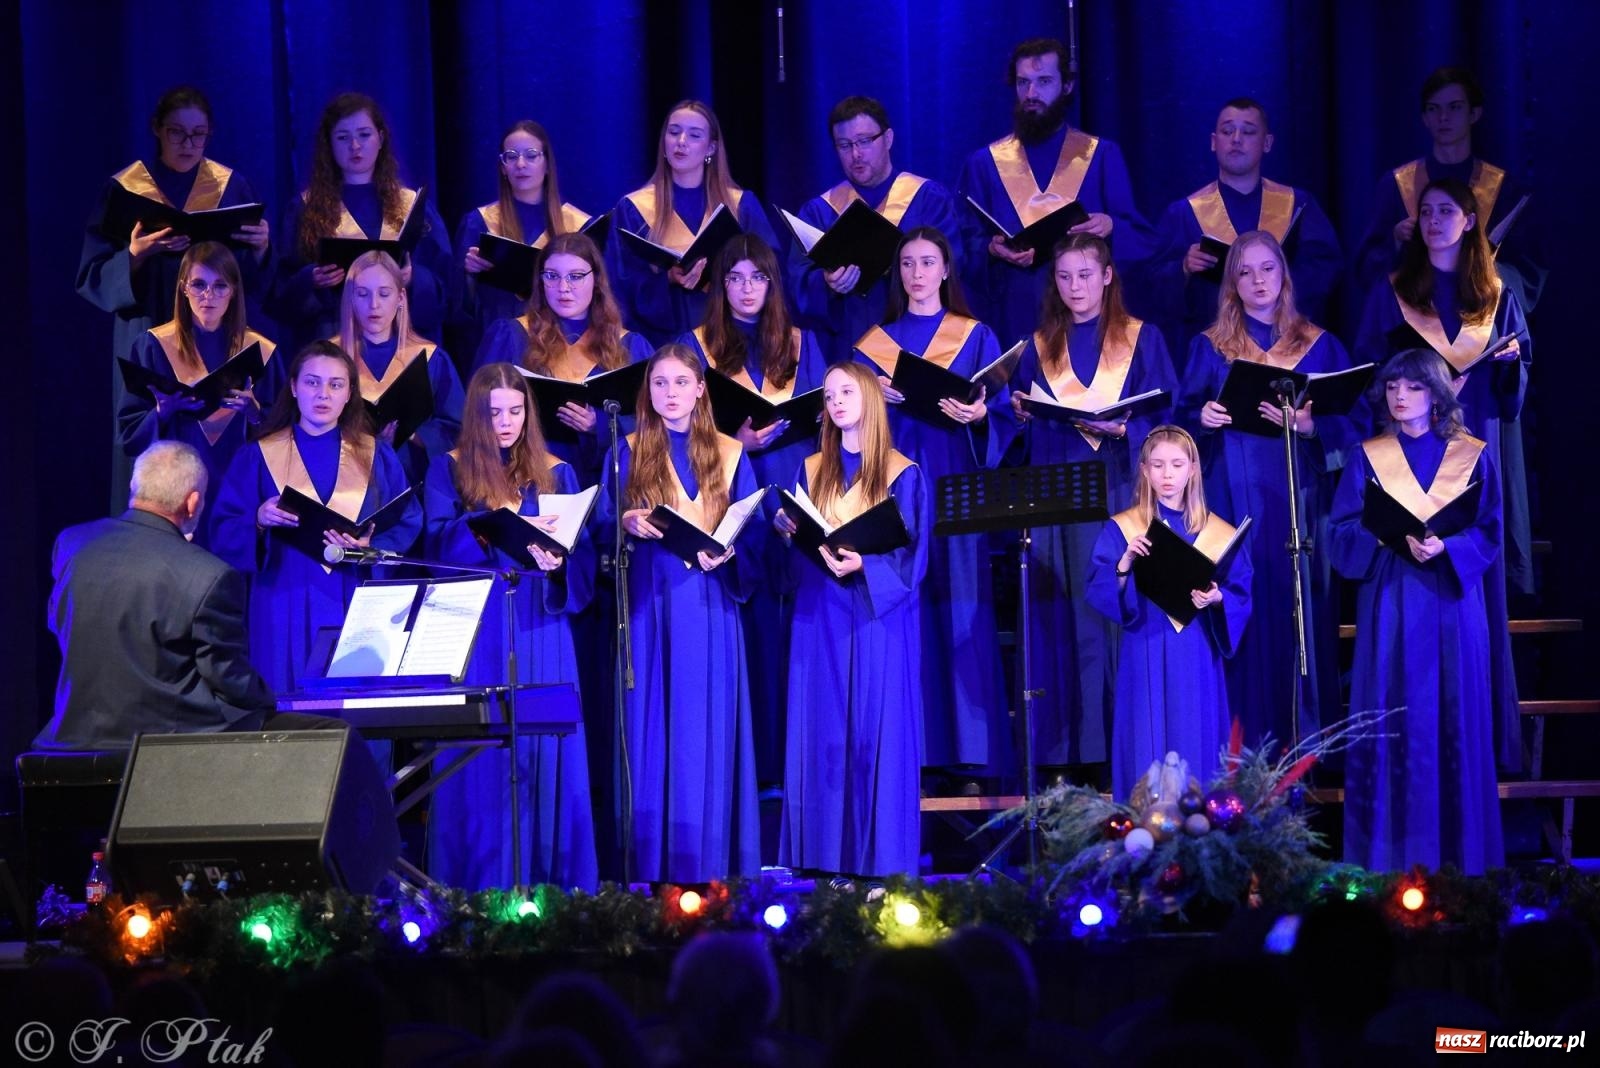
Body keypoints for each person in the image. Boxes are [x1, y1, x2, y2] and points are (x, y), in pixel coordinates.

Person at [1354, 178, 1529, 773]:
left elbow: (1512, 396)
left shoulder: (1497, 296)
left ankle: (1481, 737)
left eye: (1446, 211)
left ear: (1470, 220)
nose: (1433, 220)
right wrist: (1416, 393)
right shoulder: (1396, 292)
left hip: (1472, 453)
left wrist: (1506, 365)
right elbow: (1369, 378)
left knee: (1471, 589)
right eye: (1425, 211)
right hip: (1407, 453)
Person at [1177, 230, 1358, 756]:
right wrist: (1202, 419)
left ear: (1284, 276)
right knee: (1241, 610)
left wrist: (1309, 428)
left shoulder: (1320, 344)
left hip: (1299, 501)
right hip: (1232, 503)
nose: (1258, 281)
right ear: (1231, 283)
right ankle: (1238, 755)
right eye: (1245, 272)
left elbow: (1357, 422)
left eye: (1267, 269)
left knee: (1301, 616)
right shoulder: (1209, 347)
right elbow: (1179, 422)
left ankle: (1305, 754)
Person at [422, 363, 598, 890]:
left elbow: (581, 554)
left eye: (516, 410)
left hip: (540, 625)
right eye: (494, 411)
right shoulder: (448, 469)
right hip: (476, 627)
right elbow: (432, 543)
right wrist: (485, 527)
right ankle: (472, 885)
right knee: (479, 758)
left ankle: (552, 884)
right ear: (476, 415)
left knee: (544, 750)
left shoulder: (557, 472)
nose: (506, 422)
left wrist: (559, 561)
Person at [1330, 349, 1504, 874]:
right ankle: (1386, 863)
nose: (1400, 397)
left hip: (1450, 604)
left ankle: (1462, 864)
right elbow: (1340, 533)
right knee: (1392, 718)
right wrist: (1383, 535)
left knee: (1454, 716)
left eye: (1413, 387)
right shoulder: (1368, 456)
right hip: (1391, 601)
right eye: (1391, 388)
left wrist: (1448, 548)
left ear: (1437, 395)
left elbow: (1490, 528)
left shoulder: (1471, 455)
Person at [1008, 233, 1176, 771]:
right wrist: (1019, 413)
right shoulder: (1037, 347)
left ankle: (1129, 746)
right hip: (1059, 493)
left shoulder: (1143, 338)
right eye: (1064, 276)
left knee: (1117, 608)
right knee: (1069, 616)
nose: (1075, 286)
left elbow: (1170, 417)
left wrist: (1128, 427)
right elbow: (1019, 429)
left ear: (1106, 276)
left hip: (1121, 488)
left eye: (1085, 274)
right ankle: (1074, 754)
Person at [596, 344, 761, 882]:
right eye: (659, 383)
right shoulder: (627, 450)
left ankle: (711, 864)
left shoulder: (732, 454)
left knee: (705, 727)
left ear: (700, 389)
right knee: (652, 726)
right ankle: (650, 865)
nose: (670, 393)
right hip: (650, 607)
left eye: (680, 383)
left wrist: (732, 550)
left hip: (711, 607)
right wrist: (624, 524)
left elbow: (753, 531)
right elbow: (600, 525)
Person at [852, 227, 1011, 776]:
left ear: (946, 270)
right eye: (907, 264)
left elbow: (1002, 407)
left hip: (954, 478)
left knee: (960, 600)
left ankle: (971, 752)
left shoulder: (975, 336)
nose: (917, 274)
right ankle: (910, 744)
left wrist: (981, 415)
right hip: (895, 480)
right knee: (904, 598)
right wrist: (877, 398)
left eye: (928, 262)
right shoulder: (877, 343)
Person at [678, 234, 828, 786]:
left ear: (773, 284)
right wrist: (732, 437)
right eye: (736, 278)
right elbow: (677, 423)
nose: (747, 289)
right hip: (728, 490)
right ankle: (747, 764)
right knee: (748, 627)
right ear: (721, 285)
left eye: (758, 278)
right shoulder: (696, 346)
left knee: (795, 629)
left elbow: (827, 418)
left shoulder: (801, 344)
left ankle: (795, 764)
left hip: (792, 486)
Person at [78, 87, 271, 507]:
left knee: (218, 444)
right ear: (156, 130)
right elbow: (91, 274)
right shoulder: (126, 190)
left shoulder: (229, 186)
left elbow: (247, 283)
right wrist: (135, 254)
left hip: (215, 336)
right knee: (152, 441)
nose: (188, 144)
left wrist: (259, 249)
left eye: (198, 135)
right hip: (146, 333)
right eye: (177, 133)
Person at [774, 362, 928, 877]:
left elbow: (914, 558)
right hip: (821, 613)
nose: (836, 401)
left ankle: (881, 864)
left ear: (870, 399)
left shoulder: (902, 472)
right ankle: (821, 861)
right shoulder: (811, 467)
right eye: (830, 394)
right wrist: (787, 531)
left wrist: (869, 565)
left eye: (847, 391)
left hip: (877, 616)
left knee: (875, 730)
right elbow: (799, 546)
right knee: (822, 727)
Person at [210, 341, 421, 692]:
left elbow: (407, 520)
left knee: (355, 707)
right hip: (283, 595)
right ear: (293, 387)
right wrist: (258, 520)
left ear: (350, 392)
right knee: (287, 703)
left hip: (354, 592)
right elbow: (222, 528)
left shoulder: (376, 455)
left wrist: (372, 545)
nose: (323, 394)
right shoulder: (258, 455)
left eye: (336, 384)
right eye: (312, 382)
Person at [35, 441, 274, 750]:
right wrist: (270, 699)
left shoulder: (71, 543)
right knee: (318, 729)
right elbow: (227, 678)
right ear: (193, 502)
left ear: (136, 487)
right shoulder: (209, 574)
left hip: (70, 734)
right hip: (165, 741)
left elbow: (58, 623)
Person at [1086, 426, 1253, 798]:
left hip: (1197, 650)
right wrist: (1124, 565)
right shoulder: (1125, 528)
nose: (1167, 474)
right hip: (1143, 644)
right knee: (1145, 737)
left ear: (1193, 469)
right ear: (1144, 470)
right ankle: (1142, 837)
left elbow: (1240, 591)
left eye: (1177, 465)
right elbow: (1098, 590)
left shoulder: (1216, 531)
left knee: (1196, 738)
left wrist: (1217, 599)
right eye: (1158, 465)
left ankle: (1202, 838)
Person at [957, 37, 1154, 347]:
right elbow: (964, 246)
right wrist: (991, 250)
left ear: (1067, 86)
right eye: (1023, 83)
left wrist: (1110, 225)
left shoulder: (1101, 156)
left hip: (1086, 325)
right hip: (1012, 319)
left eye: (1044, 81)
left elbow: (1141, 238)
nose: (1031, 94)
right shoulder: (984, 164)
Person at [1146, 98, 1342, 370]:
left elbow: (1324, 267)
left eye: (1248, 131)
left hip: (1288, 349)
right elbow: (1151, 285)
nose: (1236, 139)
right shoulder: (1183, 213)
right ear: (1214, 142)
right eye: (1227, 132)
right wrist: (1183, 268)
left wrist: (1274, 284)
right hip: (1214, 358)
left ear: (1267, 142)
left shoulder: (1297, 204)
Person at [118, 241, 283, 545]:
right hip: (176, 485)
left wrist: (254, 412)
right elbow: (129, 430)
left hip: (238, 485)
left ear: (234, 291)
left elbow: (284, 434)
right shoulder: (153, 346)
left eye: (220, 286)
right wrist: (161, 411)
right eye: (199, 285)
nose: (209, 296)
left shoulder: (260, 352)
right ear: (183, 288)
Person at [270, 92, 451, 354]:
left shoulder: (411, 205)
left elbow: (446, 286)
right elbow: (282, 291)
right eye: (343, 138)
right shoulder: (305, 208)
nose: (355, 146)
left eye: (364, 135)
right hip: (333, 345)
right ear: (329, 145)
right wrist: (312, 279)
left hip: (400, 344)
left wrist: (413, 279)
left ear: (381, 138)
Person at [790, 96, 961, 363]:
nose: (855, 154)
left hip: (919, 346)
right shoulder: (819, 212)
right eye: (844, 145)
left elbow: (955, 267)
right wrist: (826, 283)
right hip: (847, 346)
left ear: (888, 138)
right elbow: (797, 282)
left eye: (864, 141)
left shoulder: (928, 199)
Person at [474, 232, 652, 485]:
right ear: (540, 281)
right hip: (523, 481)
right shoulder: (511, 336)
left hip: (606, 488)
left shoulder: (630, 346)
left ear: (597, 280)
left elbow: (653, 421)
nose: (563, 288)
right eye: (552, 276)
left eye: (576, 277)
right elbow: (476, 413)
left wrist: (599, 425)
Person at [607, 100, 782, 345]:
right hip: (661, 343)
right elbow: (619, 285)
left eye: (694, 135)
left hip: (730, 341)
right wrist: (667, 279)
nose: (681, 141)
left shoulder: (741, 205)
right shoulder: (634, 208)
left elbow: (770, 270)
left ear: (711, 148)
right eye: (674, 132)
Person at [1354, 67, 1527, 295]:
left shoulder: (1503, 187)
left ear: (1474, 114)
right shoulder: (1397, 185)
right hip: (1413, 315)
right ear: (1425, 118)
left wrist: (1480, 270)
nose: (1443, 118)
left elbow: (1525, 271)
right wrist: (1395, 242)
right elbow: (1368, 269)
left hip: (1481, 316)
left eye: (1454, 107)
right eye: (1433, 109)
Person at [453, 120, 594, 359]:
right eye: (511, 156)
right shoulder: (479, 223)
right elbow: (458, 308)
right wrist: (468, 274)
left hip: (562, 345)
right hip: (500, 344)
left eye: (531, 155)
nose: (520, 164)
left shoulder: (577, 226)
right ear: (502, 167)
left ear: (547, 163)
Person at [334, 249, 464, 485]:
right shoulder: (329, 358)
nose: (374, 305)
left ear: (401, 298)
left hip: (414, 485)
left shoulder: (431, 358)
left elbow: (457, 428)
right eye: (362, 294)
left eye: (384, 294)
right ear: (350, 299)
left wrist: (412, 433)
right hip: (345, 483)